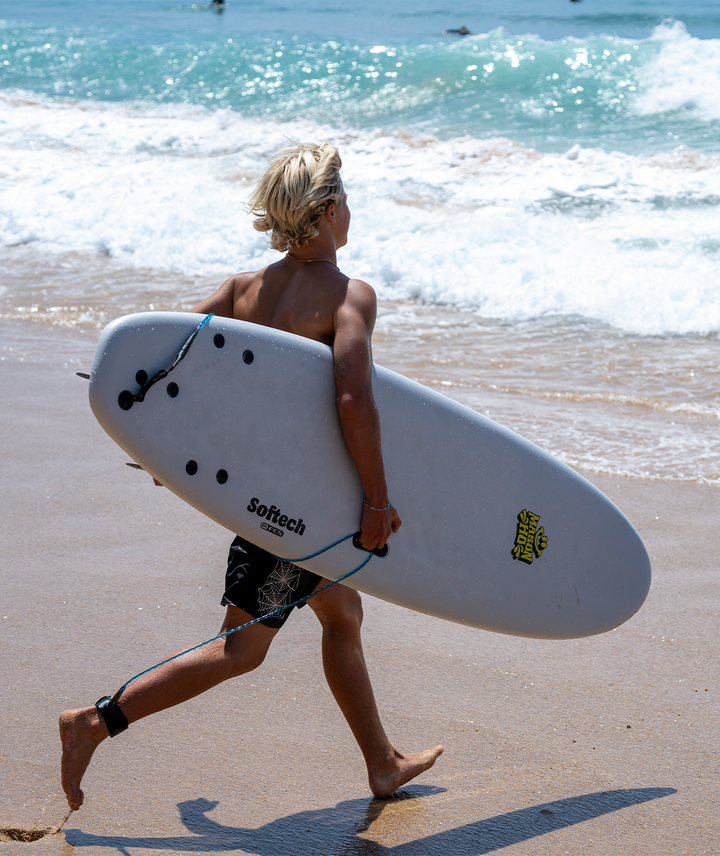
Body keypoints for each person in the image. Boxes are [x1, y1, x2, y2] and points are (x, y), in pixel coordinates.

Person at [59, 142, 444, 812]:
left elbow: (166, 366)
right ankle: (95, 721)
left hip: (252, 494)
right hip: (298, 509)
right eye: (345, 200)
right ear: (326, 212)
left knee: (343, 612)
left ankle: (382, 763)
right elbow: (354, 399)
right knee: (241, 651)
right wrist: (377, 502)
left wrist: (167, 457)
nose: (349, 211)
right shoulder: (349, 296)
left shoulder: (243, 290)